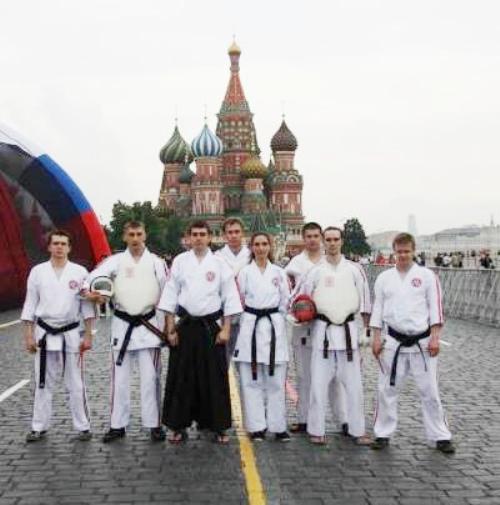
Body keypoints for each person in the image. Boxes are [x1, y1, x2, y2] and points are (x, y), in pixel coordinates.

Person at [370, 232, 455, 453]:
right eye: (399, 252)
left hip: (422, 342)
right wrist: (375, 338)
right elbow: (377, 309)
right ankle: (382, 433)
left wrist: (435, 338)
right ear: (393, 252)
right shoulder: (384, 278)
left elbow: (436, 309)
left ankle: (441, 436)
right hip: (393, 342)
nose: (403, 255)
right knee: (386, 390)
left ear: (414, 251)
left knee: (430, 391)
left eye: (407, 251)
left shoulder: (427, 276)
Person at [159, 220, 242, 444]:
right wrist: (170, 328)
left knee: (214, 377)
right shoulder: (180, 261)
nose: (198, 238)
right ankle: (178, 425)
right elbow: (170, 294)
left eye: (202, 234)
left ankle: (218, 426)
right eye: (194, 234)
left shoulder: (220, 264)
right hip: (185, 325)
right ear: (188, 238)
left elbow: (229, 296)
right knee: (182, 377)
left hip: (210, 327)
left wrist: (226, 329)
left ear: (209, 238)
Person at [87, 221, 168, 443]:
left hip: (149, 327)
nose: (135, 238)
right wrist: (94, 293)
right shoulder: (114, 261)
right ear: (124, 237)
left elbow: (167, 295)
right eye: (131, 234)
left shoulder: (157, 263)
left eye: (139, 234)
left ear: (145, 235)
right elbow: (93, 279)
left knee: (151, 380)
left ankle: (154, 424)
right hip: (122, 326)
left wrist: (166, 329)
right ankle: (117, 426)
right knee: (119, 381)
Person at [21, 230, 95, 442]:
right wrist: (28, 336)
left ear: (69, 247)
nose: (59, 247)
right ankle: (39, 426)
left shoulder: (80, 272)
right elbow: (30, 304)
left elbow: (87, 306)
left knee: (76, 383)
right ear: (49, 247)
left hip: (70, 333)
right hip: (44, 332)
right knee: (42, 382)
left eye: (63, 244)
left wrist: (88, 336)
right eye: (56, 243)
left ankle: (83, 426)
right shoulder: (38, 272)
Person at [301, 227, 371, 445]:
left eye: (335, 239)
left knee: (354, 387)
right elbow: (302, 299)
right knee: (318, 386)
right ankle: (316, 430)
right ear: (324, 242)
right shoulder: (314, 271)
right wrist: (300, 316)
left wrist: (367, 330)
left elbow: (366, 302)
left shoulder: (355, 270)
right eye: (328, 239)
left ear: (342, 241)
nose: (332, 243)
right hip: (322, 333)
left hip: (348, 335)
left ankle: (358, 430)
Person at [285, 222, 349, 436]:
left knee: (335, 376)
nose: (312, 240)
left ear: (321, 238)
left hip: (328, 326)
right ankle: (304, 419)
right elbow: (289, 296)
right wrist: (296, 315)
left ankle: (343, 420)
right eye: (309, 236)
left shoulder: (330, 262)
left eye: (316, 236)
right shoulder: (294, 265)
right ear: (303, 238)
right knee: (304, 375)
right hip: (303, 328)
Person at [233, 232, 290, 442]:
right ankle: (256, 427)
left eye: (264, 244)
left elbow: (285, 300)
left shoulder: (279, 273)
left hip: (273, 325)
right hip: (251, 325)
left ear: (270, 246)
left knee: (276, 382)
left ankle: (278, 426)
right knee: (251, 381)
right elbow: (238, 300)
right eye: (256, 244)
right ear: (251, 247)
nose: (261, 248)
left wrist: (277, 317)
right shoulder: (244, 273)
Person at [215, 217, 251, 361]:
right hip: (224, 313)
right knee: (224, 356)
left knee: (247, 355)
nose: (234, 235)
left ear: (242, 233)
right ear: (224, 235)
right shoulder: (217, 257)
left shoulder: (251, 255)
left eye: (237, 232)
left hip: (248, 311)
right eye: (230, 232)